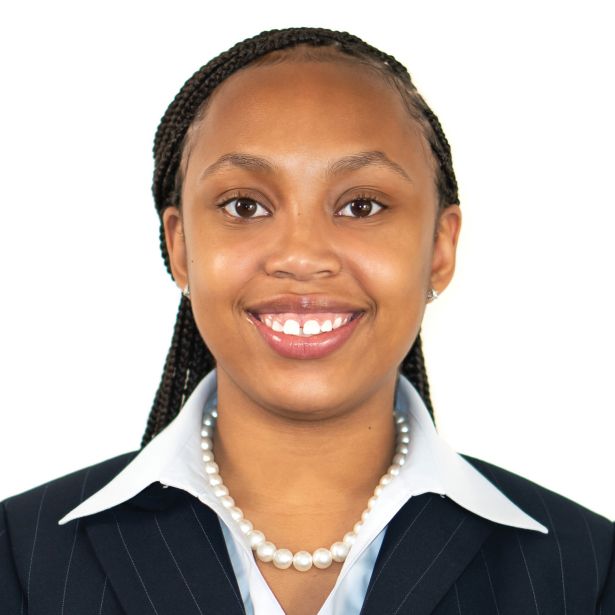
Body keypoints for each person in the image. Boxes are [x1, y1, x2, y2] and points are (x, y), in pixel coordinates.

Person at [1, 26, 613, 615]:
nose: (301, 256)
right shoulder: (19, 559)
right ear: (180, 246)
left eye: (361, 205)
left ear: (440, 247)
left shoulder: (587, 573)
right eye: (245, 205)